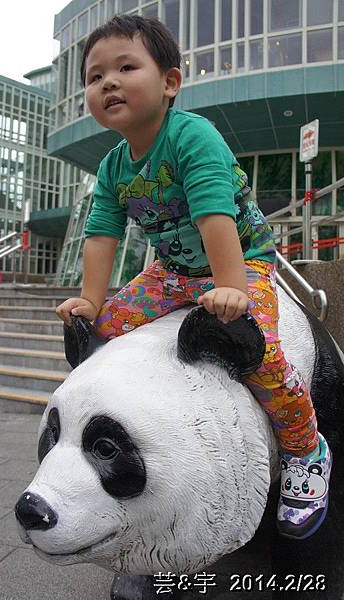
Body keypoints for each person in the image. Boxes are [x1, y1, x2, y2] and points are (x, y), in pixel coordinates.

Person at [56, 15, 331, 539]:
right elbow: (100, 234)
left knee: (264, 356)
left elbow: (213, 215)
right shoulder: (114, 166)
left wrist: (232, 286)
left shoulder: (193, 137)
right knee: (103, 331)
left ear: (170, 82)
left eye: (126, 67)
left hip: (240, 262)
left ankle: (306, 450)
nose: (107, 82)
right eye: (94, 77)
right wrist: (91, 301)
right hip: (175, 272)